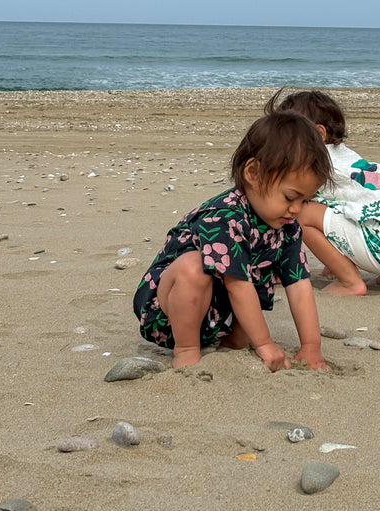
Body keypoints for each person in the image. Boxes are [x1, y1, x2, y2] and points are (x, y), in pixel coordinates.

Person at [133, 111, 333, 371]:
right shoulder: (225, 217)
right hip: (168, 312)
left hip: (219, 317)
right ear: (253, 173)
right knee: (195, 267)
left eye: (304, 201)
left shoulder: (287, 225)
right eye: (289, 197)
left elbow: (299, 285)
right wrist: (265, 344)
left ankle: (231, 338)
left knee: (253, 280)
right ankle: (186, 349)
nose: (296, 209)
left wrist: (311, 346)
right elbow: (237, 286)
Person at [265, 88, 380, 296]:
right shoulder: (350, 160)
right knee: (370, 209)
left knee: (300, 212)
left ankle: (350, 282)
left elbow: (290, 215)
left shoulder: (314, 164)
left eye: (285, 136)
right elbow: (344, 209)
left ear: (317, 134)